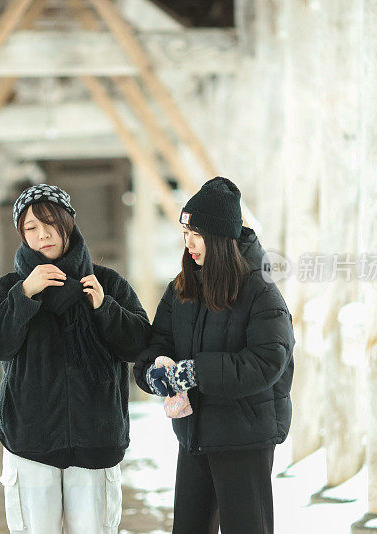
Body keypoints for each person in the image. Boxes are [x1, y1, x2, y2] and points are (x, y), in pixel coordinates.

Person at [0, 184, 152, 533]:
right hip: (30, 443)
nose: (42, 234)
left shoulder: (107, 283)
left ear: (67, 223)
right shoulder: (9, 287)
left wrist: (104, 307)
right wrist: (25, 294)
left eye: (49, 223)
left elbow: (138, 345)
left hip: (96, 441)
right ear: (21, 234)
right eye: (30, 227)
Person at [133, 177, 295, 534]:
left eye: (197, 233)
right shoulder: (183, 288)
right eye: (185, 232)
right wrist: (156, 368)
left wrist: (195, 372)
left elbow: (267, 361)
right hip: (195, 434)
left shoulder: (259, 290)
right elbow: (156, 344)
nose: (188, 243)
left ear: (221, 238)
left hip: (244, 435)